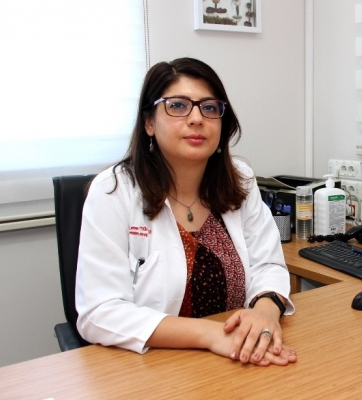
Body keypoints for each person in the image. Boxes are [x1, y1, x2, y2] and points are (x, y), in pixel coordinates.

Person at [75, 57, 296, 367]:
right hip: (152, 367)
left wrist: (265, 311)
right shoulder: (113, 191)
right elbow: (99, 312)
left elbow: (268, 264)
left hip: (239, 360)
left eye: (209, 107)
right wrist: (210, 335)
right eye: (177, 106)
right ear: (149, 123)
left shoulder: (240, 180)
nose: (196, 118)